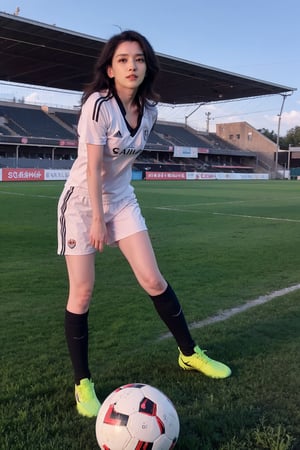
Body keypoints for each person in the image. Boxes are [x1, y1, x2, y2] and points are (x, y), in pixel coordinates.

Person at [57, 30, 231, 418]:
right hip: (83, 202)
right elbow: (95, 164)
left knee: (153, 279)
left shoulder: (151, 112)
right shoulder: (98, 105)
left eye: (138, 58)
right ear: (110, 67)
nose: (131, 66)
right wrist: (98, 220)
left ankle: (190, 354)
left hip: (120, 199)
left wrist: (114, 212)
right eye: (122, 59)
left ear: (147, 65)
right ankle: (82, 383)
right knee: (82, 292)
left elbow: (124, 165)